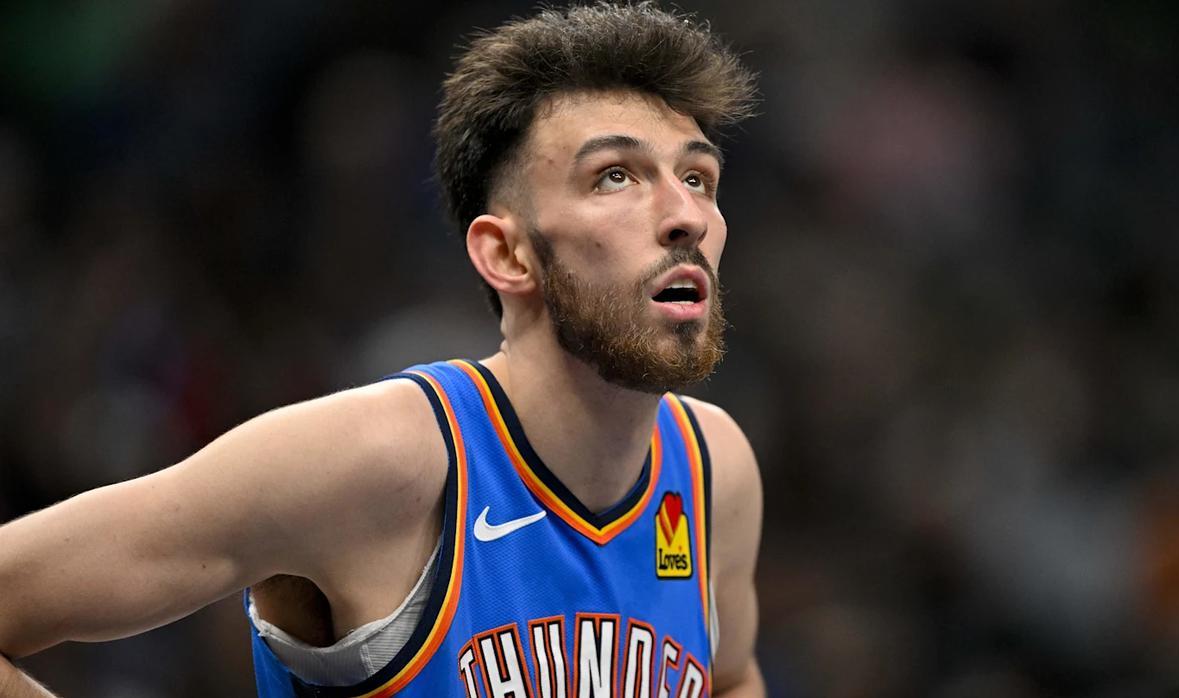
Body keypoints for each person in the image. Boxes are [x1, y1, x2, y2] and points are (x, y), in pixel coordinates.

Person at [0, 2, 764, 696]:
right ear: (507, 254)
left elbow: (729, 678)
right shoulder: (378, 461)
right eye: (616, 176)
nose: (686, 216)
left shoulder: (713, 470)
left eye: (698, 177)